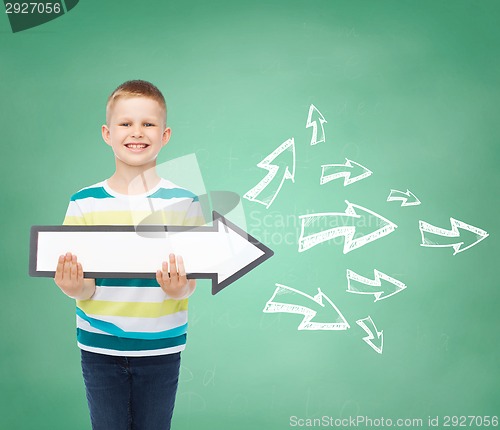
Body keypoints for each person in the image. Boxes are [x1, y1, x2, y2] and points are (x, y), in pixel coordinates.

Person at [54, 80, 204, 430]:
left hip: (161, 347)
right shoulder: (83, 202)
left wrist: (178, 288)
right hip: (99, 347)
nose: (137, 132)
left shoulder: (184, 201)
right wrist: (74, 287)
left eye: (148, 124)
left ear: (165, 135)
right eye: (126, 123)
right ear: (107, 133)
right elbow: (84, 286)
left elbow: (192, 282)